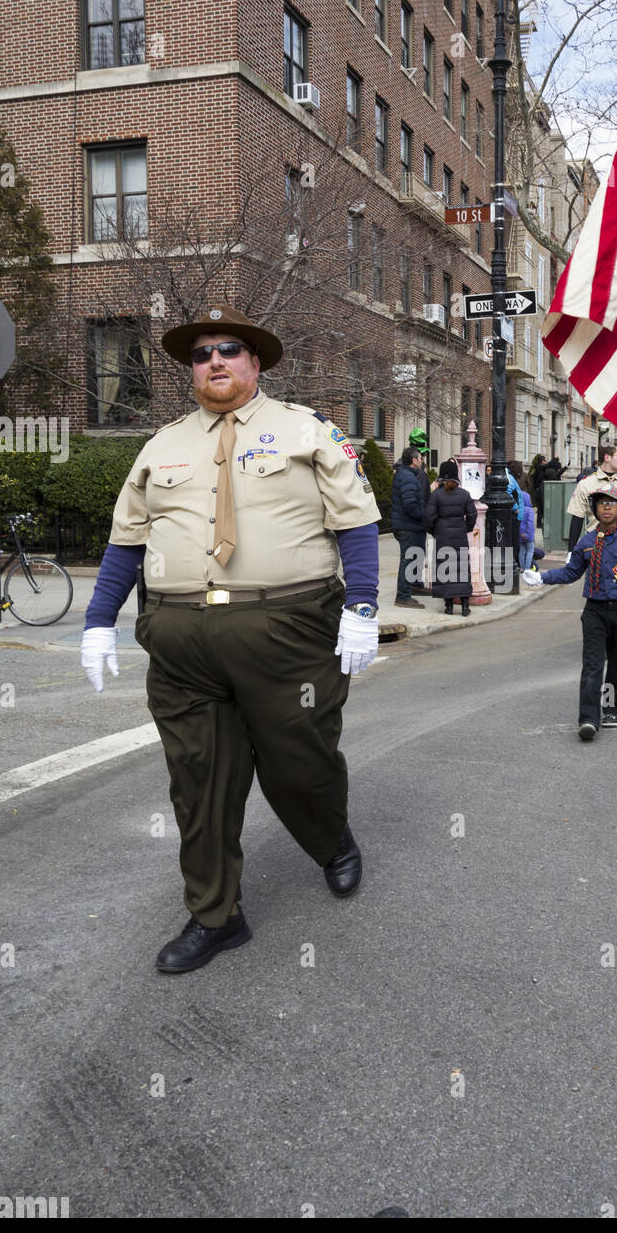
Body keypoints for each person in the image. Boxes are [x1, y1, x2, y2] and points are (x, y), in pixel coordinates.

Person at [79, 305, 381, 972]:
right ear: (191, 370)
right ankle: (215, 914)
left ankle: (330, 839)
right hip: (182, 638)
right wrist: (99, 621)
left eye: (229, 349)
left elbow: (355, 525)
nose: (214, 360)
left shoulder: (307, 431)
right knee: (197, 778)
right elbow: (126, 543)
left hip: (289, 633)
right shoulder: (161, 445)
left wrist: (361, 606)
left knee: (298, 762)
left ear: (256, 362)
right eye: (200, 353)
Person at [523, 483, 617, 739]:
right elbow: (571, 572)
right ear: (595, 509)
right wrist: (542, 578)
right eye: (601, 503)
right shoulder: (586, 542)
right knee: (593, 664)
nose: (606, 508)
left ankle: (611, 708)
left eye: (612, 503)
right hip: (594, 610)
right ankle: (588, 718)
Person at [566, 443, 617, 551]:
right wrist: (571, 552)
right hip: (596, 547)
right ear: (607, 457)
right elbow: (577, 518)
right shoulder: (586, 484)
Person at [424, 458, 478, 614]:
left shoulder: (436, 495)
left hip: (442, 536)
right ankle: (465, 605)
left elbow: (428, 517)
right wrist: (465, 528)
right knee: (461, 569)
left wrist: (434, 531)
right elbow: (472, 515)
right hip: (460, 535)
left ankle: (448, 606)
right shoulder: (465, 495)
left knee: (445, 569)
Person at [390, 446, 429, 608]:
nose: (422, 461)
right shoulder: (408, 477)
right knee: (407, 560)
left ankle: (413, 587)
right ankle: (403, 596)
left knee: (412, 558)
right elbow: (410, 504)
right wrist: (424, 515)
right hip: (408, 526)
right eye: (420, 458)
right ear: (414, 460)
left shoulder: (406, 475)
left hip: (408, 525)